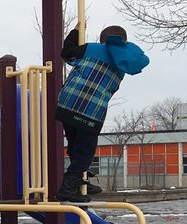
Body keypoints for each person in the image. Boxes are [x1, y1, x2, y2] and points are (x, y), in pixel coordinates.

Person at [54, 25, 149, 203]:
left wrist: (75, 31)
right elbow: (141, 62)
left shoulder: (91, 48)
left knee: (75, 145)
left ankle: (80, 181)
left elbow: (67, 52)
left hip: (67, 102)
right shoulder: (125, 61)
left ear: (101, 40)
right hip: (91, 109)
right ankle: (68, 187)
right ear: (125, 41)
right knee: (85, 150)